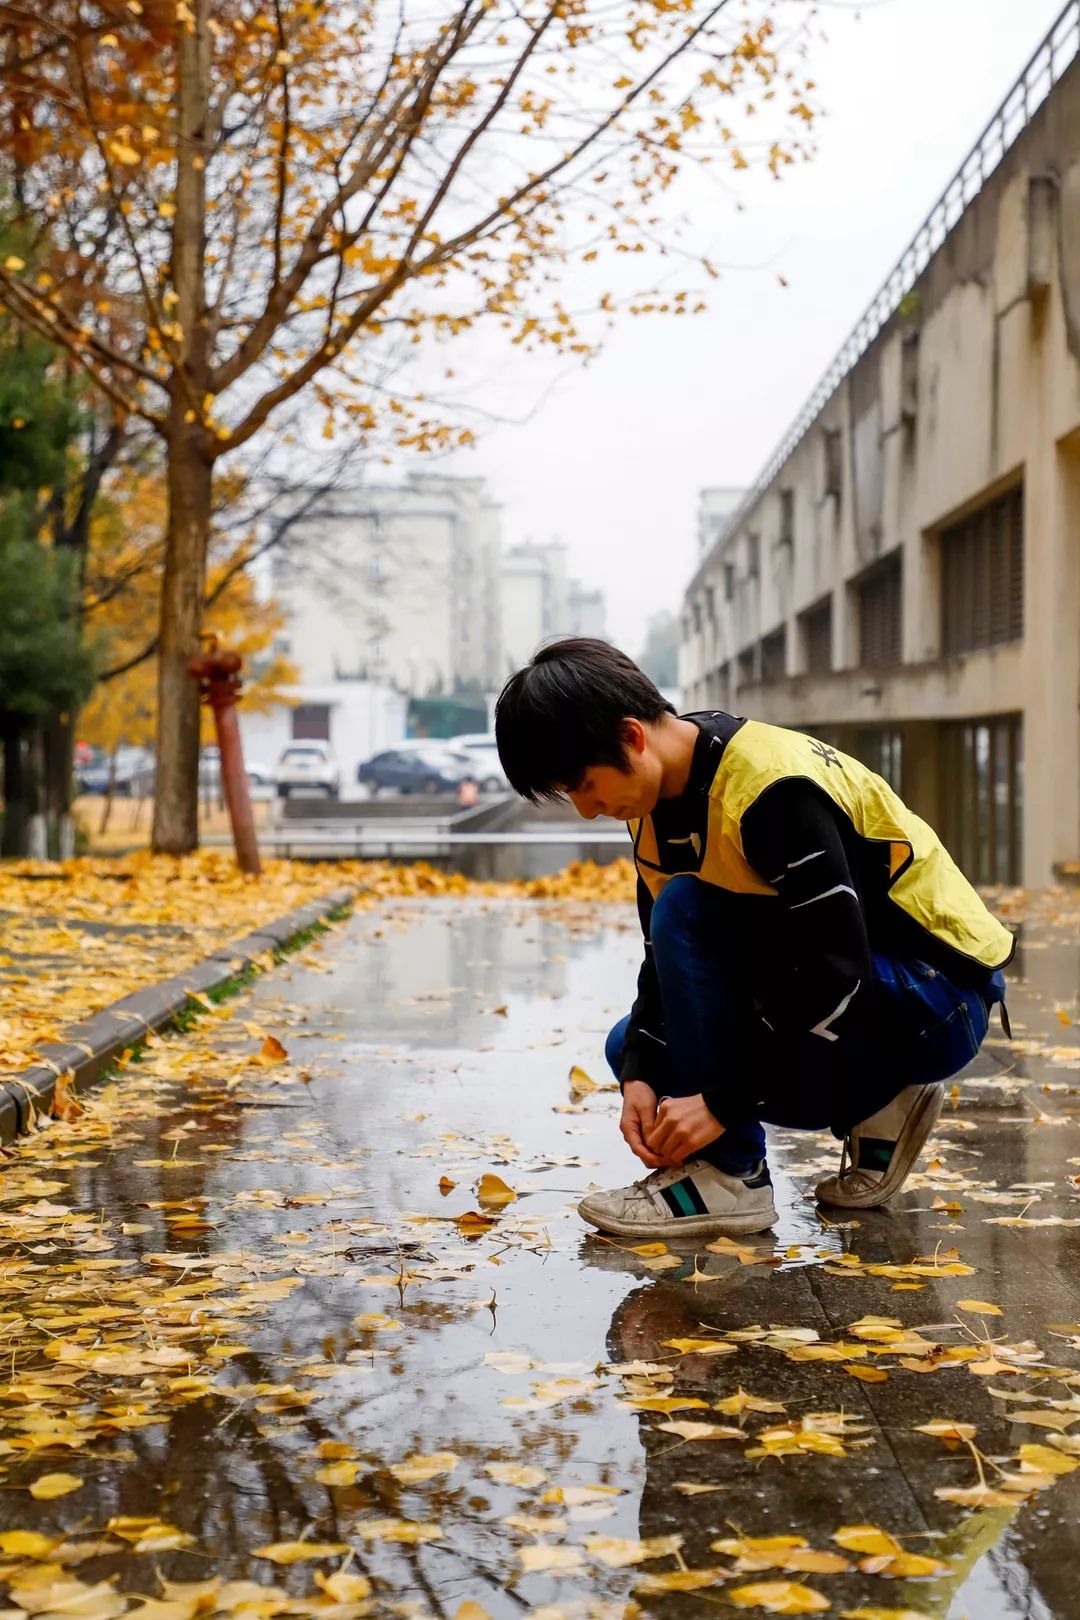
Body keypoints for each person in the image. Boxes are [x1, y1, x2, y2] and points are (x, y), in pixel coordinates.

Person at [494, 638, 1013, 1239]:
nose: (587, 811)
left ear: (632, 737)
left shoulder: (769, 791)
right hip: (867, 995)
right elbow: (663, 967)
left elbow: (835, 975)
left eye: (583, 786)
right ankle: (880, 1104)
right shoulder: (653, 804)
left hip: (939, 996)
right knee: (635, 1050)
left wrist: (721, 1103)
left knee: (686, 910)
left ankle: (731, 1178)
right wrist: (640, 1068)